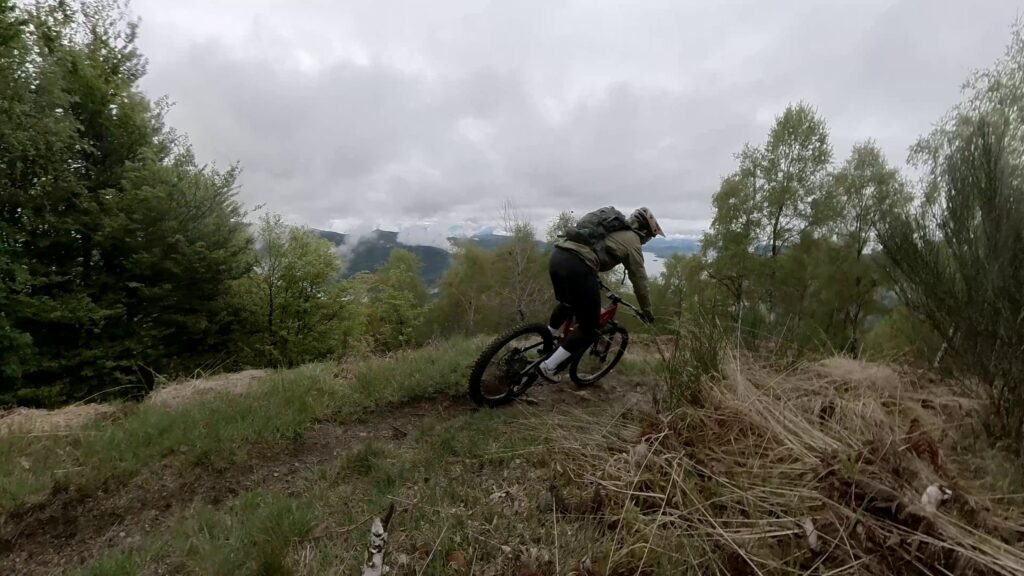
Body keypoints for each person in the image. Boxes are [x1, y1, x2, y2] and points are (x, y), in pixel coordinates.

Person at [538, 206, 664, 382]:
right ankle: (548, 367)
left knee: (569, 304)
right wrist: (647, 311)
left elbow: (591, 253)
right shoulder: (632, 240)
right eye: (650, 237)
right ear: (643, 231)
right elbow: (640, 280)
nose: (647, 241)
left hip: (558, 256)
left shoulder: (611, 231)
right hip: (578, 265)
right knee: (589, 327)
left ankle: (547, 340)